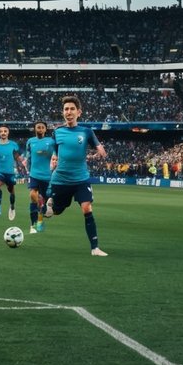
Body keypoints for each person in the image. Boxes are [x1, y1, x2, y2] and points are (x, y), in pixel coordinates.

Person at [47, 95, 109, 257]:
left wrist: (99, 150)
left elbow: (97, 145)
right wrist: (54, 156)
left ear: (79, 112)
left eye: (72, 109)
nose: (69, 112)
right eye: (66, 109)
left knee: (87, 207)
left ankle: (95, 248)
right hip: (61, 179)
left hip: (81, 178)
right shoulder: (57, 132)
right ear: (63, 113)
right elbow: (55, 149)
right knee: (58, 211)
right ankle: (50, 204)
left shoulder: (86, 131)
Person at [0, 125, 24, 220]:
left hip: (10, 172)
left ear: (8, 133)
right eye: (1, 131)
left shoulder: (13, 144)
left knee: (11, 190)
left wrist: (21, 160)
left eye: (5, 131)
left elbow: (17, 155)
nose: (3, 132)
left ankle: (12, 206)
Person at [25, 120, 55, 235]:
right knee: (32, 195)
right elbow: (28, 157)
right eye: (38, 127)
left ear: (45, 129)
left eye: (42, 127)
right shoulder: (30, 141)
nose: (40, 129)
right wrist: (29, 169)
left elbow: (58, 152)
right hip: (34, 174)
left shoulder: (51, 142)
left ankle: (40, 218)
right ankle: (32, 225)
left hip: (47, 176)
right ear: (35, 129)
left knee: (46, 203)